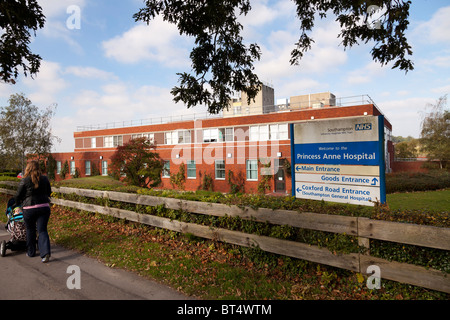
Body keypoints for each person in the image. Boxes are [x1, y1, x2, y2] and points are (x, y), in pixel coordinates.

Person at [14, 160, 52, 263]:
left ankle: (31, 252)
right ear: (38, 168)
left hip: (29, 209)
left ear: (28, 168)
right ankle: (45, 254)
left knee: (30, 230)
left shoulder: (24, 180)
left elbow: (18, 195)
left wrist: (17, 203)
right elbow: (49, 192)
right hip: (44, 207)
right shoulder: (44, 179)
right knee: (42, 230)